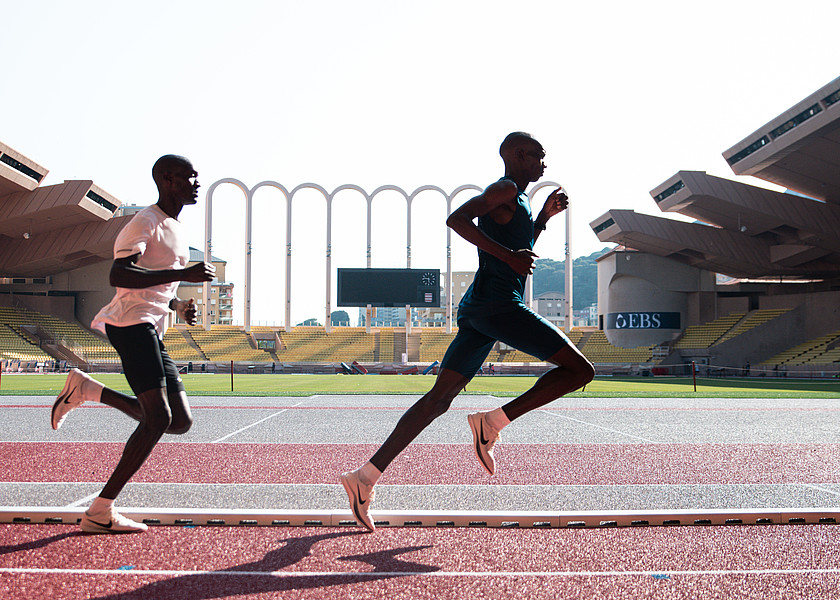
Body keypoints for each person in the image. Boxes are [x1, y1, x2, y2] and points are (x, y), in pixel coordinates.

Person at [341, 132, 595, 531]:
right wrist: (508, 256)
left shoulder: (522, 201)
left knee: (439, 399)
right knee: (581, 371)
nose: (544, 164)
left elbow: (517, 246)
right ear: (516, 155)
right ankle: (492, 422)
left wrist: (543, 219)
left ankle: (365, 477)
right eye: (538, 157)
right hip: (498, 305)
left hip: (481, 308)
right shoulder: (506, 188)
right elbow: (456, 218)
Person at [51, 155, 215, 534]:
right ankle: (101, 510)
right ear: (167, 179)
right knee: (158, 418)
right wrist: (182, 274)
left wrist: (177, 304)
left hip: (151, 327)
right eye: (190, 176)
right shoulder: (144, 221)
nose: (197, 182)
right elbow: (119, 273)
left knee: (179, 421)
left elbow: (155, 286)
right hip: (130, 323)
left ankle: (89, 390)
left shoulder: (174, 227)